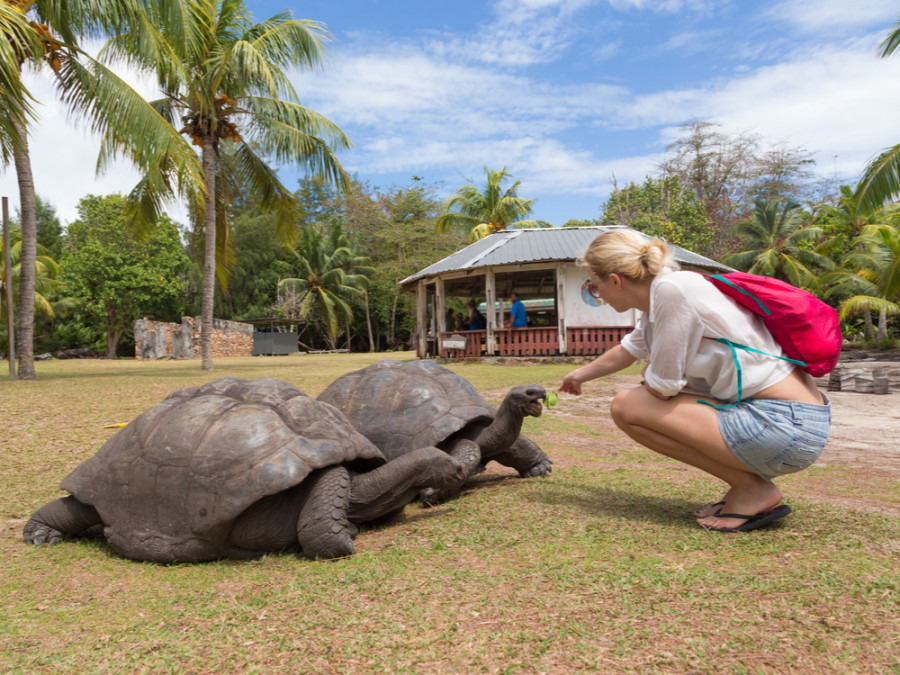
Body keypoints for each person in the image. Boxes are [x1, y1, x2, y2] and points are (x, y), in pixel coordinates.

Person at [558, 229, 831, 533]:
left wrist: (650, 379)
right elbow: (629, 350)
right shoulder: (665, 291)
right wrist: (578, 376)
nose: (600, 296)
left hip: (782, 426)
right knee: (635, 400)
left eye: (595, 287)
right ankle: (747, 488)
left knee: (627, 405)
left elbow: (663, 386)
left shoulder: (672, 292)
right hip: (794, 422)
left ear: (615, 280)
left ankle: (751, 488)